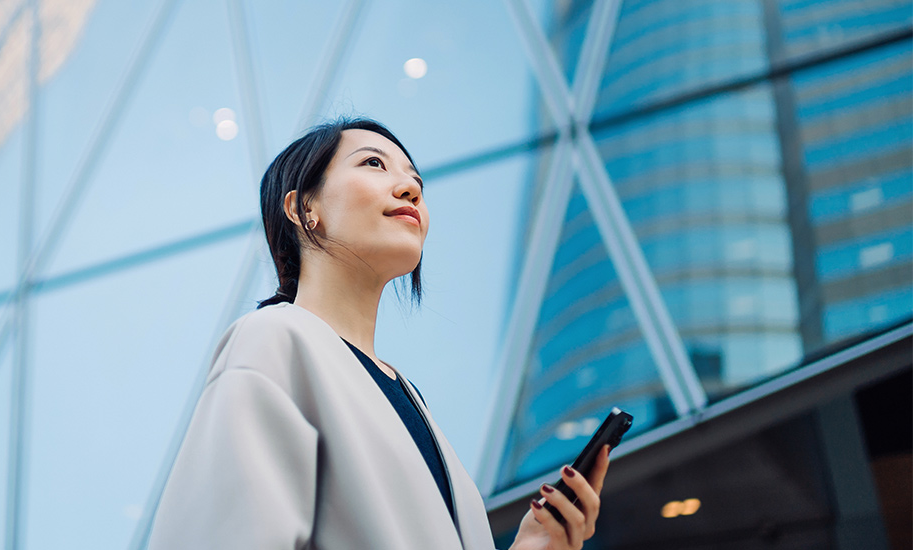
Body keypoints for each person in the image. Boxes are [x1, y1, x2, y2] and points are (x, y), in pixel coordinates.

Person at [146, 117, 610, 549]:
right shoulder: (274, 340)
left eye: (417, 181)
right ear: (304, 208)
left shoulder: (410, 400)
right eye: (373, 163)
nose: (411, 188)